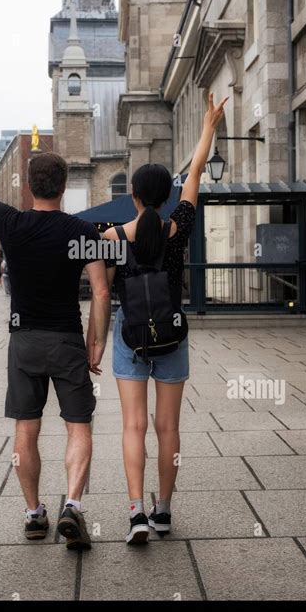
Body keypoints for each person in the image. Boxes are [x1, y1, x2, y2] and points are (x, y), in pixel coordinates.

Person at [0, 105, 110, 549]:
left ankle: (34, 513)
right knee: (79, 425)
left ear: (31, 186)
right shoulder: (83, 232)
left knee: (26, 428)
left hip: (24, 342)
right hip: (67, 340)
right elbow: (100, 292)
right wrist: (96, 343)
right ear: (63, 185)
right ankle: (72, 505)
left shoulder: (12, 224)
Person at [91, 92, 228, 544]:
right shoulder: (179, 226)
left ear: (131, 196)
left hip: (130, 338)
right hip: (172, 337)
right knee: (169, 427)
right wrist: (209, 125)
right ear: (167, 196)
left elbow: (102, 289)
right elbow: (195, 174)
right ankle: (164, 511)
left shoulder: (111, 235)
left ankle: (136, 515)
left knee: (133, 425)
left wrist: (93, 341)